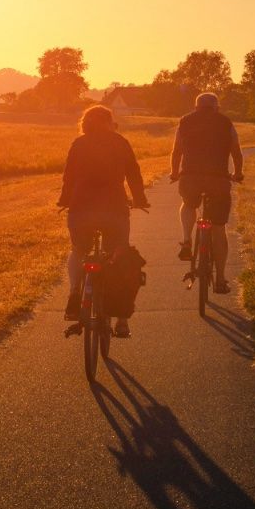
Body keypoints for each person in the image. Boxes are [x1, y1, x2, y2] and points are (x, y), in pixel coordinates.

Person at [57, 104, 150, 336]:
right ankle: (122, 321)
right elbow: (133, 173)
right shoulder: (120, 142)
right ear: (109, 122)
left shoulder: (79, 144)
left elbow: (68, 175)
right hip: (114, 209)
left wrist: (65, 200)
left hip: (82, 208)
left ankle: (74, 291)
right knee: (119, 256)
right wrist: (139, 199)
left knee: (79, 250)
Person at [170, 91, 243, 290]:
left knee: (188, 204)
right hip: (218, 180)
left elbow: (177, 150)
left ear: (196, 107)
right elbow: (235, 151)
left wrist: (174, 172)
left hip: (190, 178)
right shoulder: (226, 122)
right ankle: (220, 278)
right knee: (218, 228)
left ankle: (186, 240)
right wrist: (238, 173)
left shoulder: (185, 121)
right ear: (216, 107)